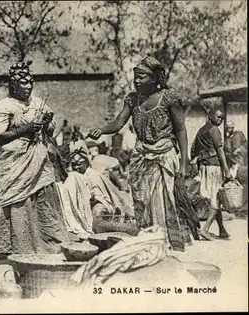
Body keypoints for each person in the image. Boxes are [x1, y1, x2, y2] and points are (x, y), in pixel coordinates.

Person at [88, 56, 193, 252]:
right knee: (141, 199)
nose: (136, 81)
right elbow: (119, 122)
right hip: (141, 155)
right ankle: (147, 238)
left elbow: (180, 130)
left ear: (154, 79)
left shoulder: (169, 98)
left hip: (163, 154)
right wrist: (101, 130)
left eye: (142, 77)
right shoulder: (132, 99)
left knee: (161, 198)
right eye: (135, 76)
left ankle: (163, 240)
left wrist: (184, 161)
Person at [0, 61, 68, 258]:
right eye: (23, 84)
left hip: (38, 160)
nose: (28, 87)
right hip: (16, 162)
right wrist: (24, 129)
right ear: (13, 85)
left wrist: (47, 124)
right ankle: (20, 246)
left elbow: (51, 129)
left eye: (31, 83)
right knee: (19, 201)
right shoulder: (4, 106)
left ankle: (48, 243)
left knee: (44, 197)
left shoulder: (38, 103)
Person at [191, 108, 235, 240]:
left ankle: (222, 230)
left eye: (222, 117)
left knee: (216, 198)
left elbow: (193, 150)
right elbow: (220, 151)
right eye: (219, 117)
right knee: (216, 200)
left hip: (204, 167)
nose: (221, 120)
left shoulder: (201, 131)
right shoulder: (214, 130)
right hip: (214, 167)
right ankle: (205, 229)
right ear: (210, 116)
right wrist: (227, 172)